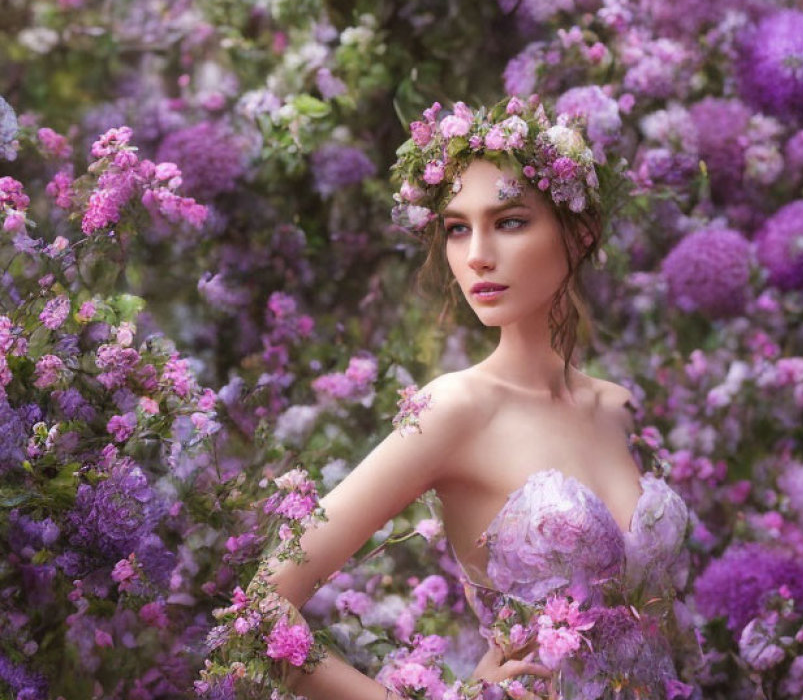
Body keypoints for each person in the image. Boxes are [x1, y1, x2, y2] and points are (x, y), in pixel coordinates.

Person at [258, 97, 699, 699]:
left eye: (510, 221)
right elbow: (261, 610)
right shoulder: (455, 409)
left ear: (580, 232)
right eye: (457, 228)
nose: (476, 255)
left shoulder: (618, 408)